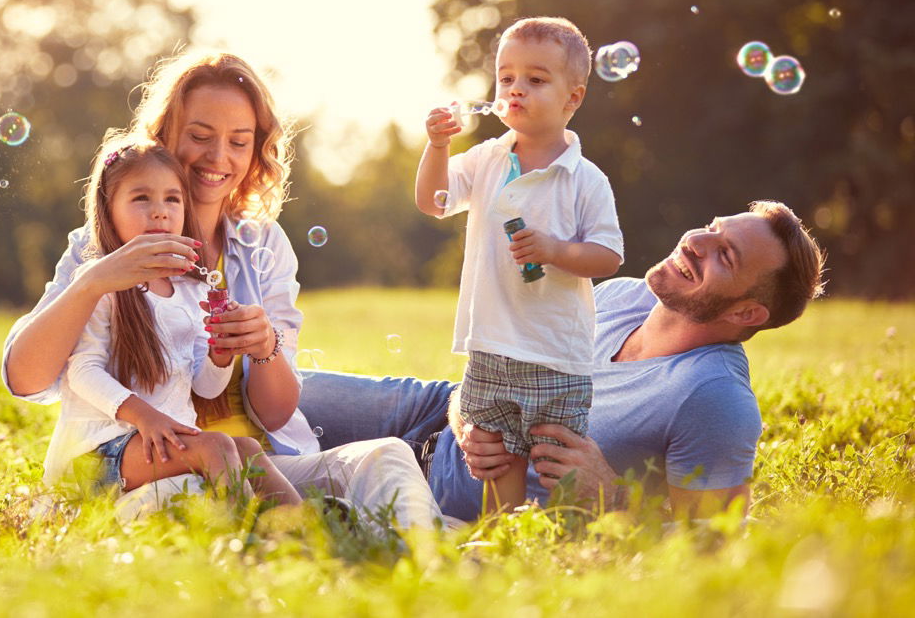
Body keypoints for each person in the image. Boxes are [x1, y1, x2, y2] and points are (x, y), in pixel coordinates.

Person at [2, 49, 442, 528]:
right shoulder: (104, 245)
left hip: (261, 463)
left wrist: (262, 346)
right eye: (200, 136)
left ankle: (428, 565)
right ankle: (306, 542)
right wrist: (92, 281)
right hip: (151, 469)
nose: (218, 158)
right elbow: (26, 380)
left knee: (388, 457)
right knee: (204, 507)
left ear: (257, 149)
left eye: (239, 141)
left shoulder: (263, 244)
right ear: (165, 135)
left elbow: (272, 414)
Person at [297, 200, 826, 521]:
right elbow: (505, 361)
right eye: (712, 227)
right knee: (263, 388)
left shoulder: (715, 398)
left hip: (450, 492)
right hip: (433, 411)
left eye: (724, 255)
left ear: (748, 311)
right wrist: (465, 410)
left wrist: (613, 496)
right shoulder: (621, 296)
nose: (695, 242)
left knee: (260, 476)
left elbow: (711, 548)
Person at [415, 16, 623, 511]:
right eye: (506, 78)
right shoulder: (488, 158)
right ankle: (505, 536)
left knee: (556, 458)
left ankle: (570, 536)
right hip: (490, 342)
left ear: (573, 98)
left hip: (555, 351)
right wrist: (438, 146)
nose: (516, 89)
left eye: (535, 79)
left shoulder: (584, 180)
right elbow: (434, 200)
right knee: (496, 455)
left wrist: (555, 251)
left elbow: (609, 256)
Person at [61, 137, 298, 505]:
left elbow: (205, 388)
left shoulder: (191, 290)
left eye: (172, 199)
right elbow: (81, 371)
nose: (160, 211)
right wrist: (145, 417)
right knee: (217, 445)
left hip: (165, 443)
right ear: (108, 210)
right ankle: (246, 535)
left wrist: (221, 354)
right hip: (102, 451)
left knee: (248, 448)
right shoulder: (100, 282)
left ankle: (308, 528)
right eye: (142, 198)